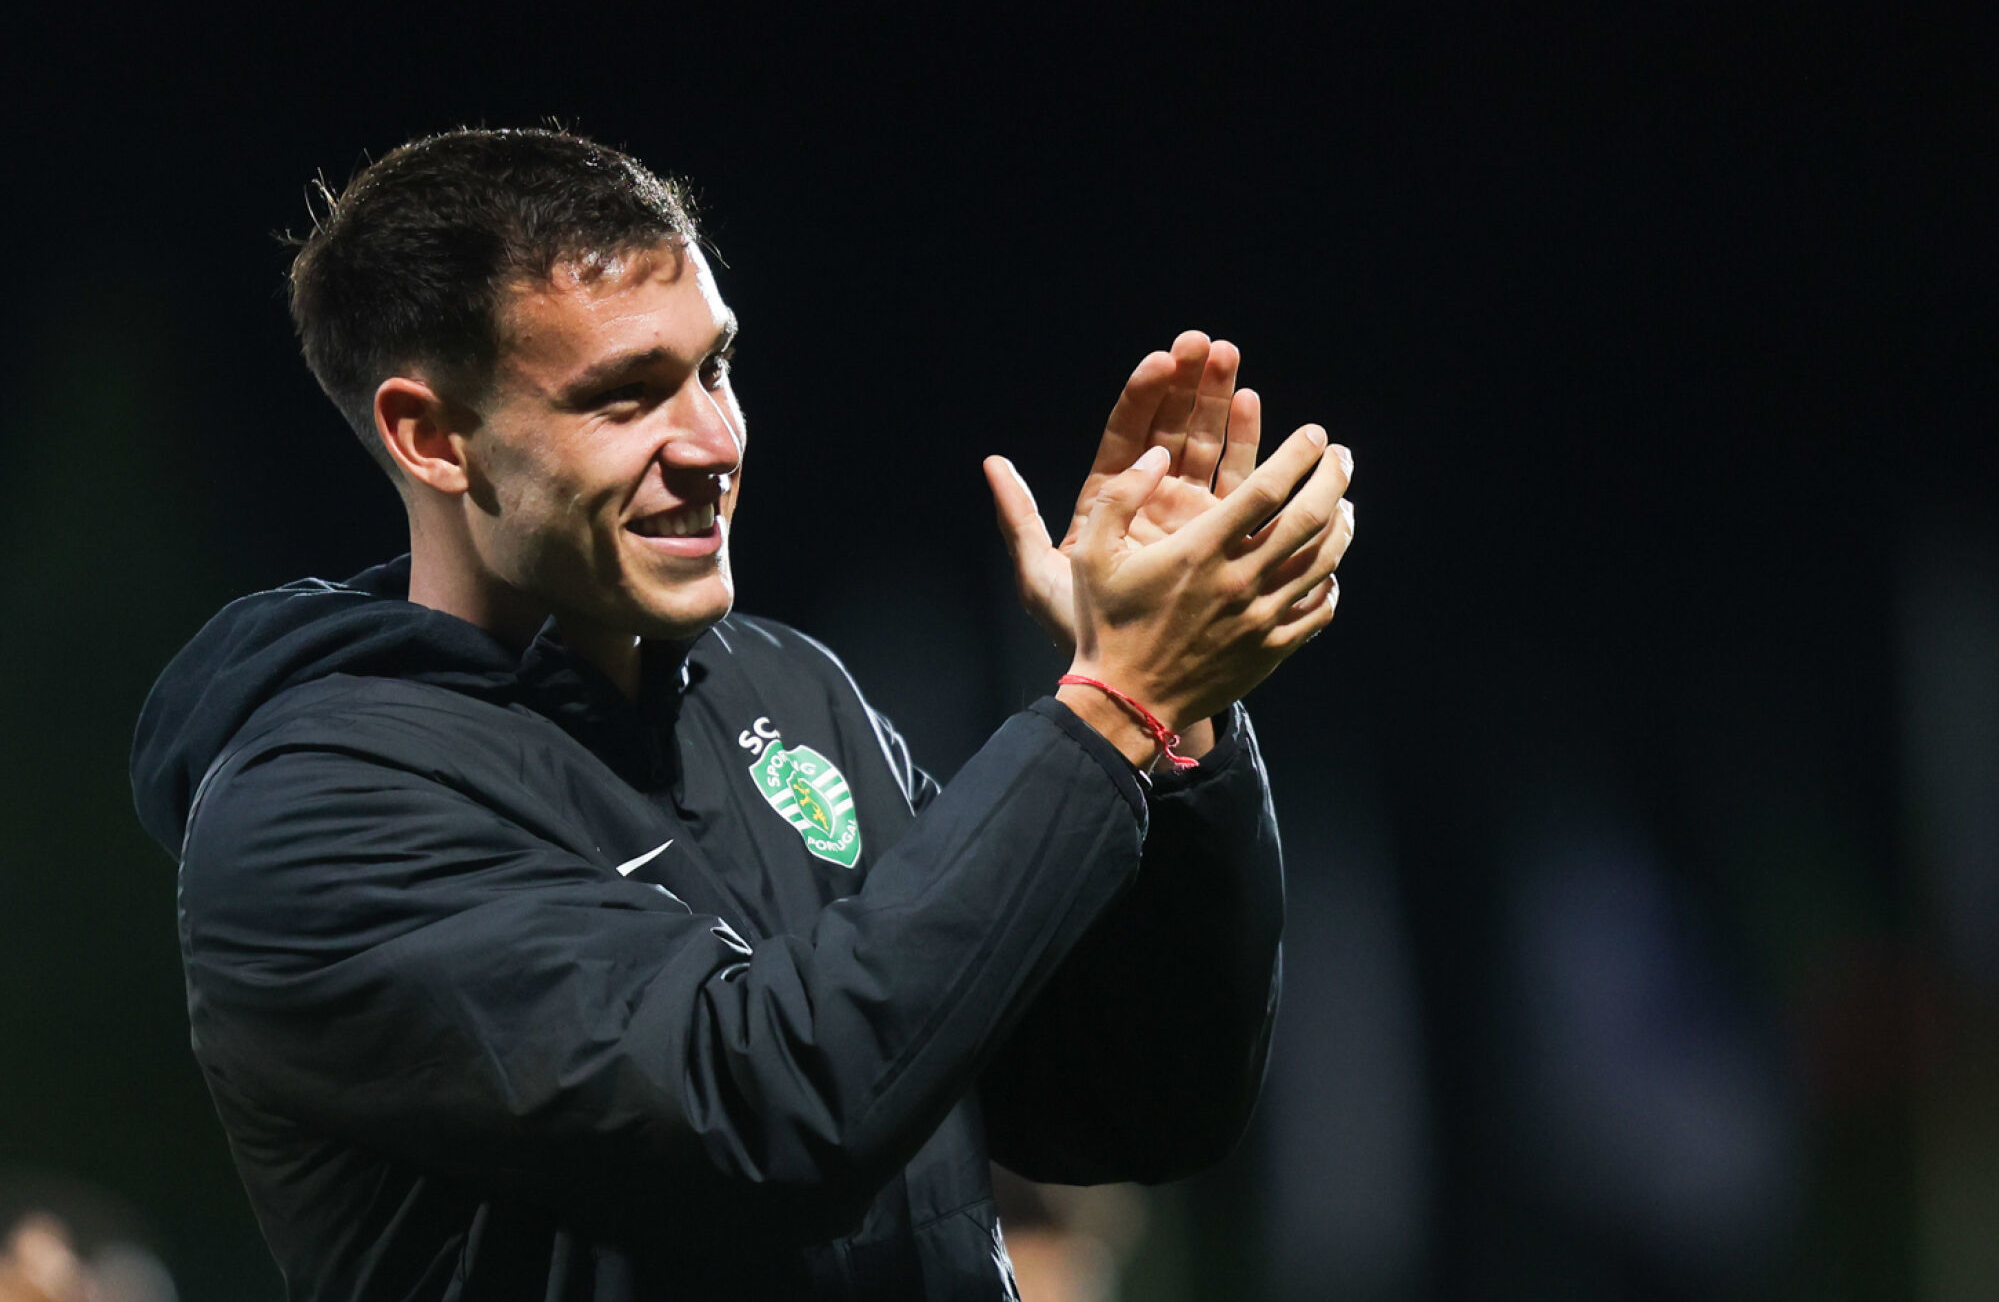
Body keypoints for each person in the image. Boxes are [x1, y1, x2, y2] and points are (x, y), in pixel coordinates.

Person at [129, 128, 1355, 1301]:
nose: (712, 442)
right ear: (433, 436)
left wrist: (1176, 730)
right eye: (625, 395)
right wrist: (1110, 703)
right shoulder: (319, 812)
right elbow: (765, 1113)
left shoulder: (781, 686)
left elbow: (1124, 1102)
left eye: (713, 367)